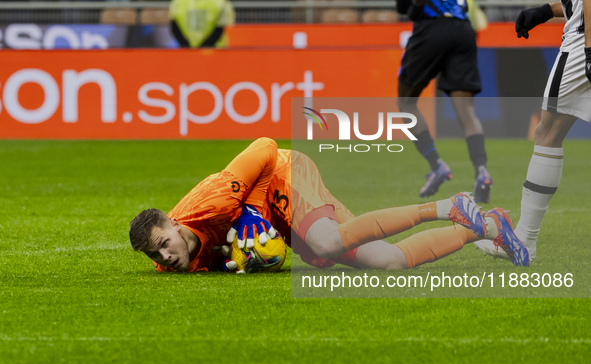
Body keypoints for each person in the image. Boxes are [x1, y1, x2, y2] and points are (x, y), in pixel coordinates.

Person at [129, 138, 529, 273]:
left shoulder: (213, 199)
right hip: (276, 218)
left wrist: (250, 210)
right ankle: (488, 226)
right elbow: (263, 250)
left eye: (165, 242)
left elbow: (265, 147)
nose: (164, 256)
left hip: (285, 175)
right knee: (387, 261)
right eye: (156, 253)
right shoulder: (168, 261)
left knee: (325, 242)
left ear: (177, 224)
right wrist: (261, 257)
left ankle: (448, 205)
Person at [475, 0, 591, 262]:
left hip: (581, 43)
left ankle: (524, 241)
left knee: (547, 135)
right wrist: (548, 11)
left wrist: (590, 49)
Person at [396, 0, 493, 203]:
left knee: (406, 103)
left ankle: (436, 165)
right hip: (464, 30)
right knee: (466, 111)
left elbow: (407, 5)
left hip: (433, 27)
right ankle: (481, 171)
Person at [169, 0, 235, 48]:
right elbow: (220, 27)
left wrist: (187, 46)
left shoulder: (177, 2)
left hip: (213, 52)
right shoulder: (220, 2)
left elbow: (174, 27)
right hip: (213, 51)